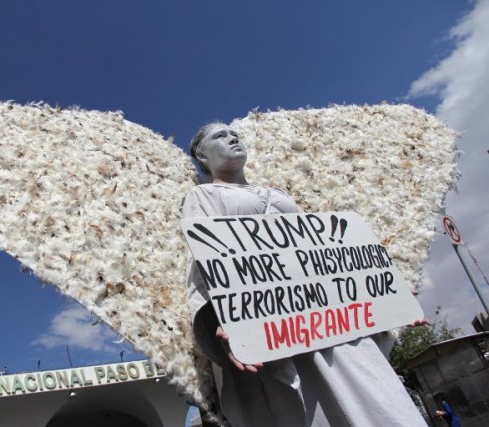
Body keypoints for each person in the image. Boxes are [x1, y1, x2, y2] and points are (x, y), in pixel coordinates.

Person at [183, 122, 428, 426]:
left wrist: (384, 292)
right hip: (273, 321)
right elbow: (206, 259)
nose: (232, 137)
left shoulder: (277, 193)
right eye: (220, 136)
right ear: (203, 158)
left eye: (234, 133)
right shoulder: (204, 196)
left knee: (374, 396)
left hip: (328, 315)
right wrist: (222, 317)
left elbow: (323, 253)